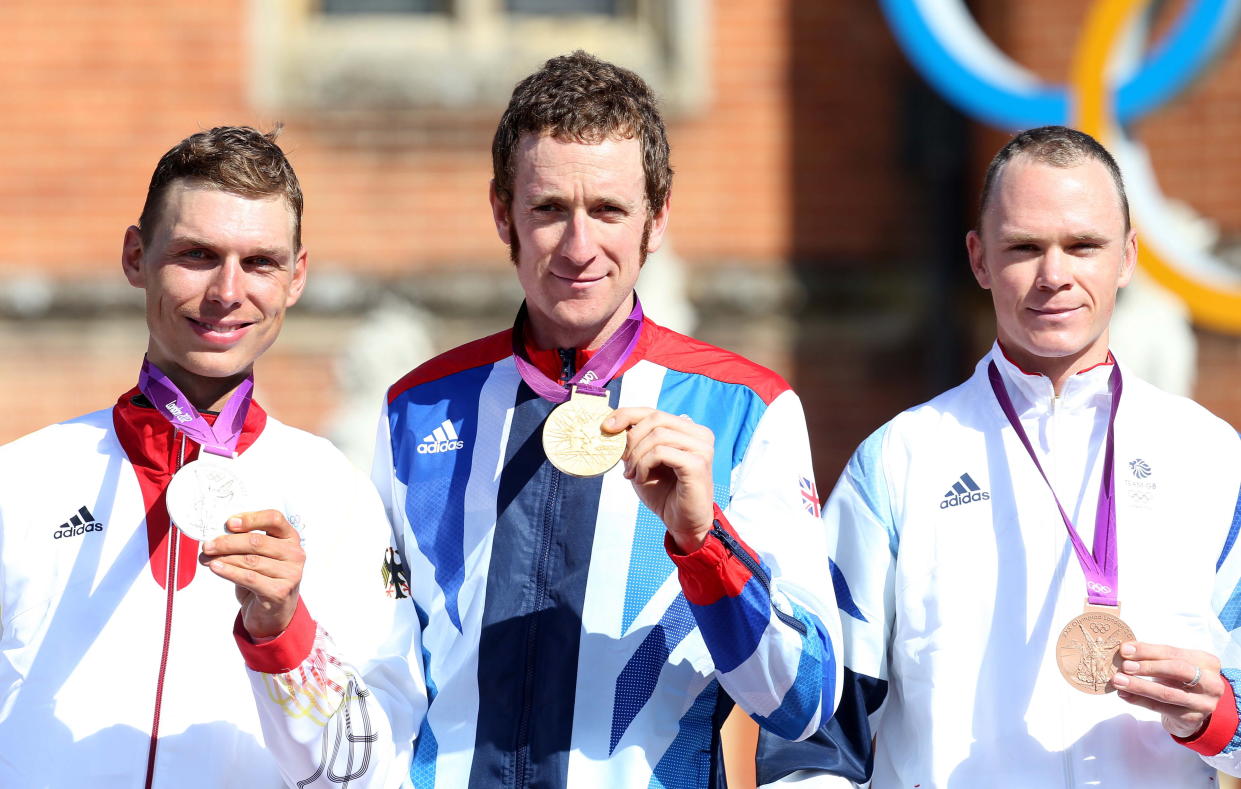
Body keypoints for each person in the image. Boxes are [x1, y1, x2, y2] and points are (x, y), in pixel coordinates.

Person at [348, 50, 837, 787]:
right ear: (501, 213)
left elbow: (801, 703)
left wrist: (704, 543)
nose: (579, 247)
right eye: (548, 209)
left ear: (657, 217)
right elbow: (376, 679)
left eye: (608, 210)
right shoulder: (417, 409)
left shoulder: (747, 408)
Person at [762, 125, 1241, 787]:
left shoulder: (1210, 457)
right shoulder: (898, 461)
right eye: (1023, 247)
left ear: (1127, 256)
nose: (1054, 275)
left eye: (1082, 245)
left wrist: (1216, 717)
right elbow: (816, 735)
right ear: (978, 257)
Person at [0, 126, 423, 788]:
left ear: (296, 277)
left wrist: (284, 631)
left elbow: (367, 772)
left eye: (259, 262)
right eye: (198, 255)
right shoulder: (23, 478)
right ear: (136, 256)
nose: (228, 291)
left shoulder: (335, 495)